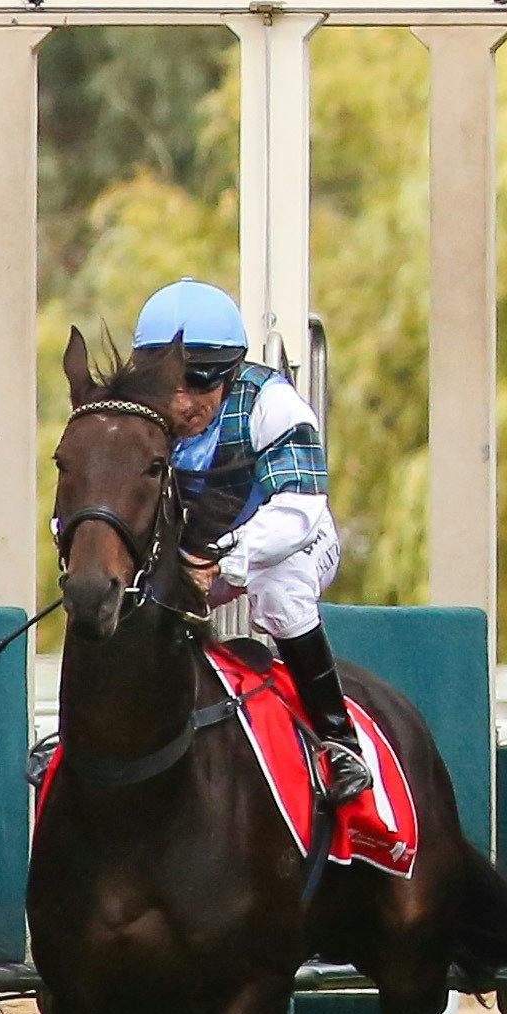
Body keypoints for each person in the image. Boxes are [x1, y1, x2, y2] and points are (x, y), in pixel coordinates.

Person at [125, 281, 362, 808]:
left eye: (199, 383)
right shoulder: (135, 413)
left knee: (281, 590)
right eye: (167, 383)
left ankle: (340, 741)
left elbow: (299, 508)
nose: (183, 403)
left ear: (230, 373)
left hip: (286, 540)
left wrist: (223, 557)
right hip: (192, 551)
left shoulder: (271, 403)